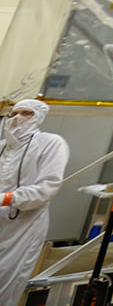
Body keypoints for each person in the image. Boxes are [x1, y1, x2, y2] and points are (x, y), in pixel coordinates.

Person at [0, 99, 69, 306]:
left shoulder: (50, 143)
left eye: (26, 113)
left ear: (38, 117)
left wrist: (7, 198)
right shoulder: (2, 147)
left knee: (6, 281)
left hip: (24, 227)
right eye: (13, 114)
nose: (17, 118)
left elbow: (47, 187)